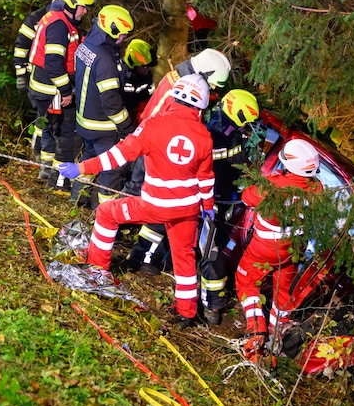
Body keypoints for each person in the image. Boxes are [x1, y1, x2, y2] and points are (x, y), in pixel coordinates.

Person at [59, 74, 215, 328]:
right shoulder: (204, 137)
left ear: (174, 97)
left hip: (154, 205)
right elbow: (206, 180)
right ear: (200, 107)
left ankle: (98, 270)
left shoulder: (153, 125)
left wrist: (82, 168)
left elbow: (119, 156)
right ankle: (187, 313)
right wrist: (207, 209)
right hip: (187, 209)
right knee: (184, 257)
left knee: (107, 213)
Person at [123, 48, 232, 271]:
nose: (211, 89)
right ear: (205, 71)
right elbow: (152, 118)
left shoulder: (185, 82)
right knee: (143, 195)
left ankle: (135, 246)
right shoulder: (178, 86)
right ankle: (136, 252)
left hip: (164, 152)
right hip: (157, 152)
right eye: (212, 82)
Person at [235, 139, 324, 362]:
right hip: (293, 250)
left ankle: (256, 333)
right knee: (282, 294)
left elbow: (247, 196)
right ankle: (277, 337)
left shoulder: (273, 187)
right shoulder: (316, 189)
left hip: (264, 249)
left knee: (247, 283)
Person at [26, 0, 95, 194]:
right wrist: (65, 91)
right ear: (72, 3)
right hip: (52, 89)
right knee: (66, 134)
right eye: (83, 6)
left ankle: (46, 171)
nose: (85, 11)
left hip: (45, 87)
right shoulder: (59, 25)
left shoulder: (59, 19)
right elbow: (54, 63)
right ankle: (57, 181)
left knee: (50, 128)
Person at [199, 89, 260, 326]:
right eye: (248, 120)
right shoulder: (215, 135)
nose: (250, 125)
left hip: (224, 201)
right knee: (210, 252)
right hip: (211, 202)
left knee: (211, 248)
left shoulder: (228, 130)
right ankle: (213, 305)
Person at [71, 4, 136, 208]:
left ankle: (77, 201)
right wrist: (127, 129)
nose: (123, 39)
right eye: (122, 35)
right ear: (112, 30)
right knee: (112, 168)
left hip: (85, 121)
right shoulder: (106, 59)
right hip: (102, 126)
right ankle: (104, 213)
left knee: (89, 161)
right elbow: (111, 102)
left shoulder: (86, 46)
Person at [13, 0, 67, 162]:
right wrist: (21, 75)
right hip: (39, 79)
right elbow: (21, 46)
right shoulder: (37, 18)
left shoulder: (64, 21)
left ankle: (39, 156)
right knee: (45, 119)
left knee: (45, 119)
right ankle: (39, 156)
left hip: (53, 83)